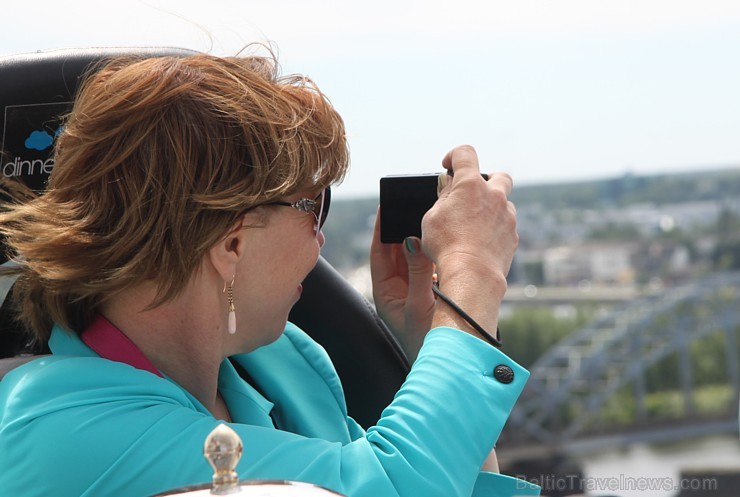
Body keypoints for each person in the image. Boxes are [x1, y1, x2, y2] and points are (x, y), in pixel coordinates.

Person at [0, 53, 539, 497]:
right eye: (312, 205)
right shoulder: (65, 435)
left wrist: (431, 337)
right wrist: (473, 275)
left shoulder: (281, 366)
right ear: (231, 242)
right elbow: (391, 488)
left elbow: (430, 481)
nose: (320, 237)